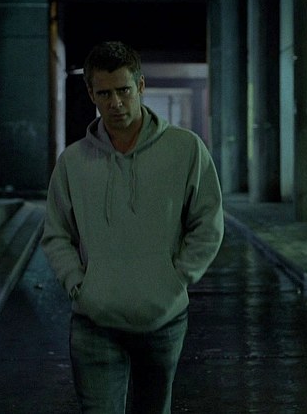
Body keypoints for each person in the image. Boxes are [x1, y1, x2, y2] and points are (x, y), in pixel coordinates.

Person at [41, 41, 224, 414]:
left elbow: (207, 221)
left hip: (162, 317)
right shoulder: (73, 162)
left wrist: (177, 278)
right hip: (94, 320)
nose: (116, 103)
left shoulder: (185, 149)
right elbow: (56, 233)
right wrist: (78, 284)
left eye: (123, 90)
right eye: (104, 94)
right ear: (91, 94)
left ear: (140, 86)